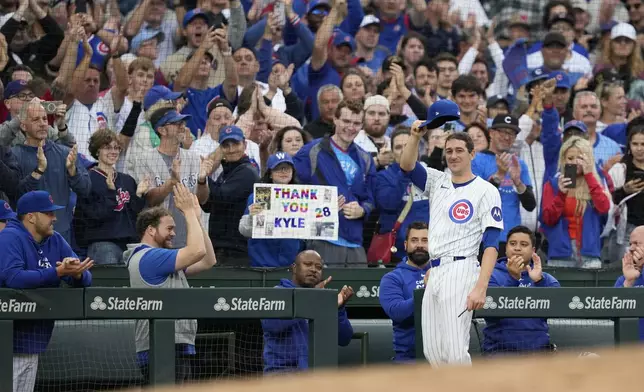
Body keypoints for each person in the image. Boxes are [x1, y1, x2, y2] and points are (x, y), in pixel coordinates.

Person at [399, 100, 503, 367]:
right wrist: (414, 137)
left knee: (456, 352)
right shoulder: (438, 180)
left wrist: (481, 286)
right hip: (434, 270)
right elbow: (408, 166)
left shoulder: (486, 189)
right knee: (434, 353)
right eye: (449, 151)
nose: (453, 155)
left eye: (459, 150)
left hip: (462, 267)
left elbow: (491, 243)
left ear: (472, 154)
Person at [0, 190, 94, 392]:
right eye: (48, 213)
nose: (54, 218)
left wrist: (76, 273)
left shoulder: (55, 240)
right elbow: (13, 278)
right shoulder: (10, 237)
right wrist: (57, 272)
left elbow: (86, 277)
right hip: (7, 341)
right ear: (31, 217)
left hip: (33, 341)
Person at [124, 184, 216, 385]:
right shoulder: (150, 257)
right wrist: (189, 213)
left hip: (175, 344)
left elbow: (208, 260)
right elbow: (196, 252)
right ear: (150, 230)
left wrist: (198, 220)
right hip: (161, 347)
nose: (174, 233)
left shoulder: (163, 259)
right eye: (169, 228)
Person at [294, 100, 375, 267]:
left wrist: (363, 209)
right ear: (335, 120)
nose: (351, 127)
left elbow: (372, 197)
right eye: (346, 121)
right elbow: (292, 190)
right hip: (322, 239)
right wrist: (321, 205)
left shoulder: (365, 158)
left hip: (355, 243)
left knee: (359, 292)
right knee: (325, 292)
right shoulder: (311, 151)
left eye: (356, 123)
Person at [261, 250, 354, 373]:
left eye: (318, 267)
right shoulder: (277, 293)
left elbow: (344, 338)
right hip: (282, 374)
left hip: (316, 375)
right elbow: (272, 326)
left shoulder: (322, 298)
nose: (314, 269)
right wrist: (311, 298)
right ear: (294, 268)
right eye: (308, 264)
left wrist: (338, 310)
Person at [483, 226, 560, 355]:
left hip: (538, 354)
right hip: (500, 353)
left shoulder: (545, 279)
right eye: (512, 244)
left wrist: (538, 282)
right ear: (506, 248)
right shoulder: (490, 275)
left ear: (533, 250)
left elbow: (558, 306)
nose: (517, 248)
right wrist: (513, 279)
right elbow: (492, 312)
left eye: (524, 244)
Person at [540, 137, 611, 269]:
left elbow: (604, 208)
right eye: (570, 158)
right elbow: (547, 219)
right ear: (563, 160)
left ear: (588, 159)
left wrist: (589, 176)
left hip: (589, 254)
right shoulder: (552, 184)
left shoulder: (595, 184)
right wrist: (561, 194)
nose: (575, 162)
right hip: (560, 254)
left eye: (580, 158)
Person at [238, 153, 304, 267]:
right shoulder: (259, 195)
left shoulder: (303, 197)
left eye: (287, 168)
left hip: (291, 264)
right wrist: (251, 218)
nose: (283, 171)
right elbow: (244, 231)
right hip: (262, 263)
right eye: (278, 168)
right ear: (270, 174)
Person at [379, 222, 430, 362]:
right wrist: (427, 290)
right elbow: (397, 312)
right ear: (405, 245)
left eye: (425, 240)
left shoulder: (444, 273)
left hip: (443, 358)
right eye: (414, 240)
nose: (420, 245)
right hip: (408, 360)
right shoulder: (392, 278)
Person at [614, 225, 644, 340]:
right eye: (630, 244)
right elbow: (613, 313)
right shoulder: (624, 279)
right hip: (631, 352)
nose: (631, 248)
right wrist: (629, 282)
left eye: (637, 243)